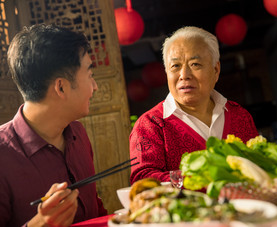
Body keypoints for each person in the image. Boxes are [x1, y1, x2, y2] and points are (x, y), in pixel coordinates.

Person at [0, 24, 107, 227]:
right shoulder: (3, 155)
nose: (95, 87)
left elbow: (95, 210)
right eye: (90, 75)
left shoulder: (78, 133)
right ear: (61, 86)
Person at [129, 26, 259, 184]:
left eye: (195, 64)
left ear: (216, 70)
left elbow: (259, 166)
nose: (184, 75)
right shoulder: (150, 125)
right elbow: (144, 178)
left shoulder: (240, 116)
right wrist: (201, 180)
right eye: (175, 66)